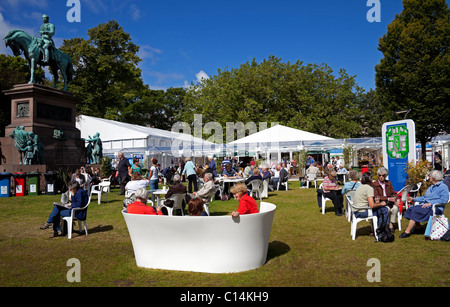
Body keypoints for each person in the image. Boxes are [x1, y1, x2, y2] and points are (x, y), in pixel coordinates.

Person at [400, 170, 449, 238]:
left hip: (436, 208)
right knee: (411, 209)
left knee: (415, 211)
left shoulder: (443, 187)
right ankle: (418, 228)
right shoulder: (431, 187)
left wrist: (430, 203)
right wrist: (414, 199)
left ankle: (407, 231)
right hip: (426, 206)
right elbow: (424, 198)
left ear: (434, 178)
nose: (429, 178)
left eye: (430, 176)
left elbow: (444, 200)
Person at [372, 167, 399, 232]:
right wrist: (389, 198)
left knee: (395, 208)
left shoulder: (388, 183)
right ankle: (385, 225)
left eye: (383, 175)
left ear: (386, 176)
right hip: (381, 203)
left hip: (389, 202)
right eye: (379, 175)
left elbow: (394, 193)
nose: (381, 177)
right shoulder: (375, 184)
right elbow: (376, 196)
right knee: (388, 209)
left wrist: (397, 199)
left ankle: (391, 224)